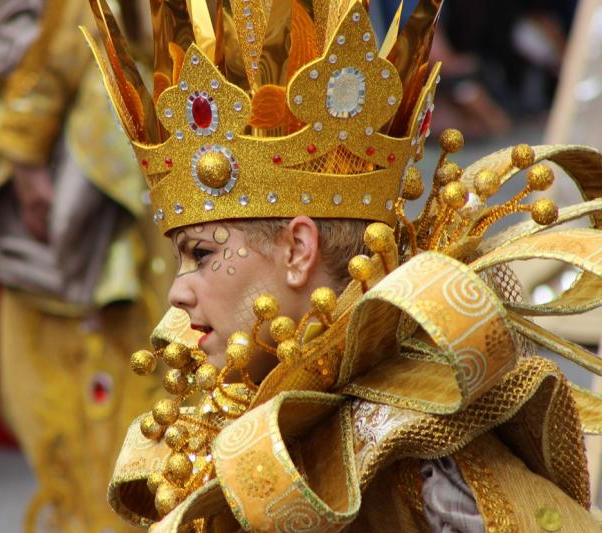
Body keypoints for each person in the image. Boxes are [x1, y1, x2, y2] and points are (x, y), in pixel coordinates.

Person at [85, 0, 602, 530]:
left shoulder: (421, 458)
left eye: (202, 254)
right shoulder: (223, 430)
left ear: (297, 250)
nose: (177, 294)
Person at [0, 1, 168, 530]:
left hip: (100, 163)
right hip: (154, 141)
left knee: (91, 362)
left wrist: (25, 142)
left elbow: (62, 28)